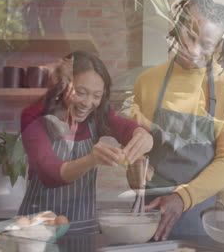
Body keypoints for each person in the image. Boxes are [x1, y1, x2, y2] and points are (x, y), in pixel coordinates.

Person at [128, 0, 224, 241]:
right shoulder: (147, 83)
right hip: (148, 215)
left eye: (206, 44)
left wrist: (183, 198)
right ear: (179, 26)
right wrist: (134, 166)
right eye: (190, 37)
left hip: (200, 216)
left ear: (218, 45)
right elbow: (135, 146)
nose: (194, 50)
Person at [18, 51, 153, 235]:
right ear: (64, 86)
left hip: (84, 231)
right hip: (36, 232)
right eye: (80, 93)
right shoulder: (34, 116)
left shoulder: (97, 117)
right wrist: (92, 159)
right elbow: (50, 174)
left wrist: (143, 137)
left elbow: (126, 128)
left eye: (96, 96)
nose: (88, 103)